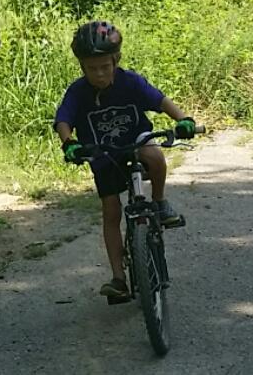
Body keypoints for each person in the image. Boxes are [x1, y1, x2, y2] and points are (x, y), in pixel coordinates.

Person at [54, 20, 196, 300]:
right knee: (111, 211)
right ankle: (119, 279)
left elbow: (160, 101)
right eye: (91, 68)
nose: (99, 74)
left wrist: (183, 120)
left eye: (105, 66)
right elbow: (63, 120)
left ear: (116, 60)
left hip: (136, 141)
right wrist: (69, 143)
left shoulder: (130, 82)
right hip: (102, 152)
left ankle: (159, 202)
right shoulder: (78, 91)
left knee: (154, 155)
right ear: (82, 67)